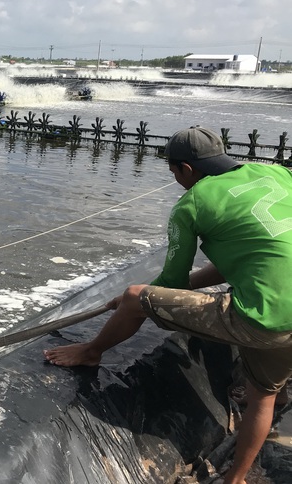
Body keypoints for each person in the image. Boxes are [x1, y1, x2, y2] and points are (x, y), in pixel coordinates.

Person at [44, 126, 292, 484]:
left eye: (174, 171)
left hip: (264, 320)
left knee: (132, 296)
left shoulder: (191, 204)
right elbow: (250, 253)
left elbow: (172, 283)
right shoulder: (275, 171)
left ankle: (90, 351)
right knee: (267, 396)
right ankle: (236, 477)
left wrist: (138, 298)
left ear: (185, 170)